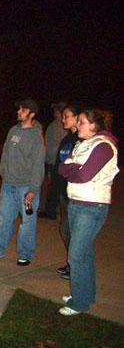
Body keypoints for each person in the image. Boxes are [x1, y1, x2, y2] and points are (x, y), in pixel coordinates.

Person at [58, 108, 119, 316]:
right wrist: (72, 168)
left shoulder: (103, 146)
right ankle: (86, 294)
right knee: (84, 253)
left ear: (94, 126)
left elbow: (83, 175)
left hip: (92, 206)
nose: (78, 125)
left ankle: (79, 303)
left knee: (76, 255)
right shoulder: (82, 144)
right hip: (77, 202)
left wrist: (72, 168)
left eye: (82, 122)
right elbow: (62, 169)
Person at [0, 99, 45, 266]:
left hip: (26, 186)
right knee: (4, 219)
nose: (19, 111)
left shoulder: (36, 136)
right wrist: (3, 172)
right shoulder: (13, 130)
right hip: (8, 184)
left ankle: (25, 254)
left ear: (31, 114)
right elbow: (6, 153)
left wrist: (33, 189)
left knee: (27, 223)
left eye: (23, 110)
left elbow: (38, 165)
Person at [53, 103, 82, 280]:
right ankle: (72, 263)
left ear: (77, 118)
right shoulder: (67, 140)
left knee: (74, 232)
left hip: (76, 195)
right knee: (65, 229)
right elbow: (59, 166)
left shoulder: (82, 141)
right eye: (63, 116)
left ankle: (76, 267)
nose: (63, 119)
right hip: (64, 193)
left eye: (67, 116)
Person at [39, 102, 68, 219]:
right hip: (63, 161)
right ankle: (55, 210)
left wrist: (50, 161)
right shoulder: (65, 126)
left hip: (55, 161)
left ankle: (50, 211)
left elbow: (51, 147)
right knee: (59, 187)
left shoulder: (54, 126)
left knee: (53, 187)